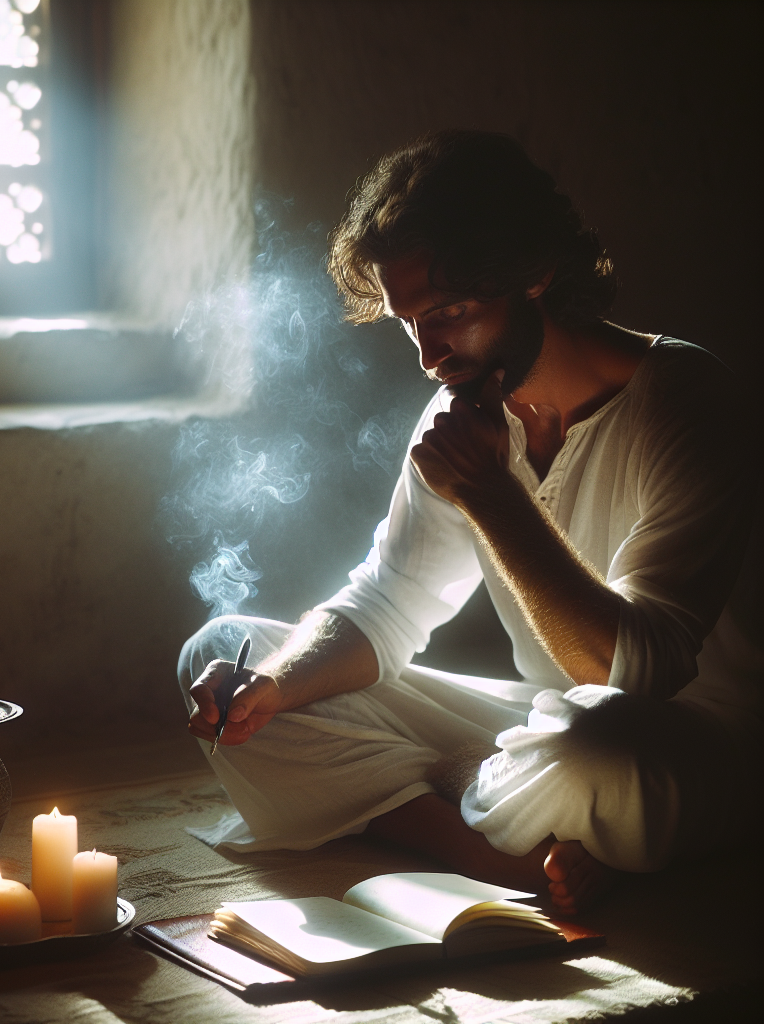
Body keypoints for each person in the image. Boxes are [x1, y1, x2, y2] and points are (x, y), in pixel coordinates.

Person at [178, 131, 761, 914]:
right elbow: (388, 605)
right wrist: (274, 686)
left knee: (590, 741)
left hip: (684, 748)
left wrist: (491, 495)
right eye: (408, 322)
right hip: (539, 729)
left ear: (535, 273)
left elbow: (639, 673)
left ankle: (454, 792)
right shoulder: (461, 407)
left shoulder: (687, 399)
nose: (428, 354)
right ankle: (520, 859)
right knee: (218, 651)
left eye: (450, 312)